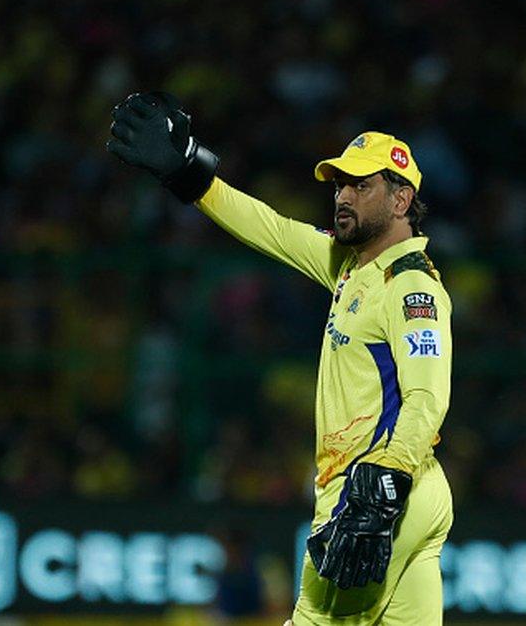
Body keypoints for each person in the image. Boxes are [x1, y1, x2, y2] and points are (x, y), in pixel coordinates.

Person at [108, 92, 454, 625]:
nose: (344, 196)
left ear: (401, 199)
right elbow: (268, 226)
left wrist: (382, 483)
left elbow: (428, 398)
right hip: (411, 491)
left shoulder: (410, 289)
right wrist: (190, 172)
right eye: (340, 183)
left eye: (362, 186)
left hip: (375, 493)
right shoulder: (351, 265)